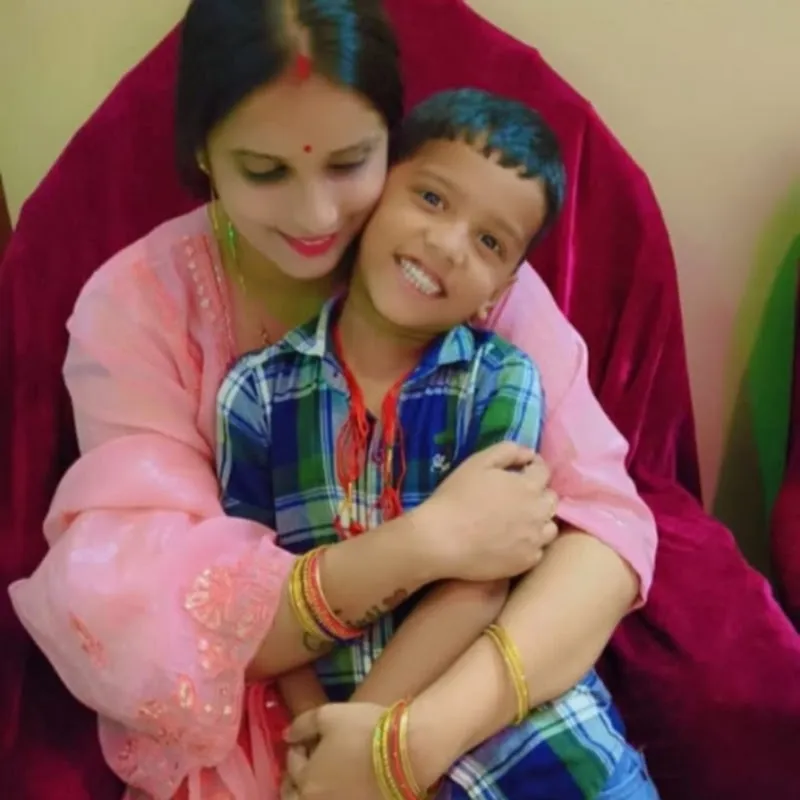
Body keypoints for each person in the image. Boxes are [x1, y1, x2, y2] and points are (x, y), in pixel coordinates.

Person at [7, 0, 655, 798]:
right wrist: (429, 542)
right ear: (204, 152)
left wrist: (406, 743)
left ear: (395, 138)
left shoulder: (453, 264)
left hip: (470, 702)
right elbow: (157, 604)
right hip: (271, 719)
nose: (316, 217)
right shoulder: (141, 307)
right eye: (265, 171)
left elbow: (604, 529)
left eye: (349, 163)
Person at [217, 86, 660, 799]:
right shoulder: (256, 395)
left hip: (535, 753)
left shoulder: (503, 379)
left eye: (489, 242)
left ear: (498, 291)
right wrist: (319, 745)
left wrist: (370, 746)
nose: (448, 245)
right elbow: (259, 592)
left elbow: (482, 580)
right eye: (430, 198)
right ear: (374, 197)